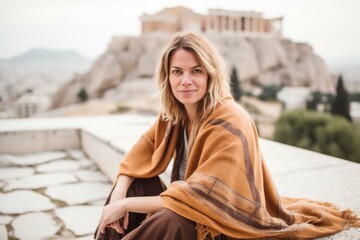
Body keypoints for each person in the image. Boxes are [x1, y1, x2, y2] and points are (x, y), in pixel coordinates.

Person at [95, 31, 359, 240]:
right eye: (178, 72)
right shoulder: (175, 115)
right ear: (168, 76)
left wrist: (125, 205)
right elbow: (140, 152)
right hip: (189, 205)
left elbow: (200, 196)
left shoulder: (231, 120)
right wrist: (120, 195)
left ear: (211, 74)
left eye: (196, 71)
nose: (186, 80)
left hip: (221, 220)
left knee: (171, 221)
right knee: (134, 184)